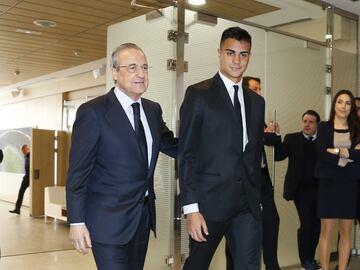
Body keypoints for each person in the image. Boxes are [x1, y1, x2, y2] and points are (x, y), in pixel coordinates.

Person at [66, 43, 177, 270]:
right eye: (133, 67)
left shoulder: (152, 110)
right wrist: (76, 222)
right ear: (115, 72)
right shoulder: (94, 112)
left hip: (142, 218)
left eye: (145, 68)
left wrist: (212, 143)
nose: (141, 74)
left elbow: (173, 145)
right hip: (107, 222)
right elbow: (78, 173)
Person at [179, 27, 265, 270]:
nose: (237, 60)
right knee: (197, 265)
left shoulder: (257, 102)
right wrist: (191, 209)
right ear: (219, 53)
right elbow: (186, 155)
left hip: (246, 205)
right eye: (231, 53)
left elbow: (254, 152)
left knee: (248, 265)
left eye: (243, 54)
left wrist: (257, 198)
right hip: (208, 205)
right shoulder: (198, 94)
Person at [225, 76, 281, 270]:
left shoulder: (257, 112)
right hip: (240, 186)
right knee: (237, 236)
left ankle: (272, 266)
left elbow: (272, 141)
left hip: (262, 185)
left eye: (259, 88)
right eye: (254, 89)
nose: (258, 93)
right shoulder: (235, 115)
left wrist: (275, 133)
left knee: (272, 224)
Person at [315, 89, 360, 270]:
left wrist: (339, 151)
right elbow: (321, 154)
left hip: (349, 183)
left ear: (352, 108)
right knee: (326, 230)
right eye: (340, 102)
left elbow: (359, 155)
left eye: (348, 103)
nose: (343, 106)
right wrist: (349, 156)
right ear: (334, 104)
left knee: (346, 231)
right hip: (328, 182)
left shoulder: (358, 128)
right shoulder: (324, 127)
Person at [275, 110, 321, 270]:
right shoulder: (292, 139)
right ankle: (305, 260)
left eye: (311, 122)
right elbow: (278, 156)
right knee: (307, 223)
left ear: (317, 125)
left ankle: (311, 258)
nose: (307, 124)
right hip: (300, 190)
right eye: (305, 121)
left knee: (317, 225)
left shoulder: (322, 141)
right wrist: (277, 136)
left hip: (320, 189)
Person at [9, 144, 30, 214]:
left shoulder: (31, 156)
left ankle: (37, 210)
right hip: (26, 178)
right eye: (22, 151)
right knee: (21, 192)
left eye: (23, 150)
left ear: (27, 149)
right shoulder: (26, 156)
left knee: (34, 194)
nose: (22, 152)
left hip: (32, 179)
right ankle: (17, 209)